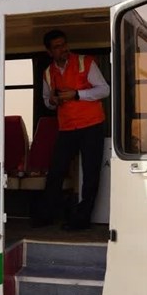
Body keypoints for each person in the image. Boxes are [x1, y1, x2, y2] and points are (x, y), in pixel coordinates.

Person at [33, 30, 110, 230]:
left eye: (64, 44)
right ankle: (46, 216)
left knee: (91, 174)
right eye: (57, 46)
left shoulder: (85, 62)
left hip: (92, 125)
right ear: (50, 52)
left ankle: (82, 219)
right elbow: (47, 102)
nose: (63, 49)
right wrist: (53, 100)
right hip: (67, 127)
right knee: (56, 172)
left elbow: (104, 89)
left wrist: (76, 94)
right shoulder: (48, 73)